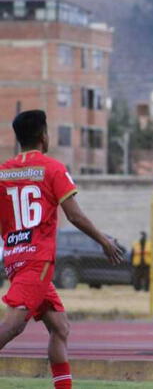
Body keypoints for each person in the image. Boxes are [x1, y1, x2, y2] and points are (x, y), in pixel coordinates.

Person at [0, 110, 124, 389]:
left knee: (60, 328)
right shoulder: (53, 168)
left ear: (18, 139)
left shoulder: (3, 172)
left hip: (15, 260)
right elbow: (75, 216)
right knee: (13, 325)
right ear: (44, 136)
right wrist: (104, 240)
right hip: (38, 261)